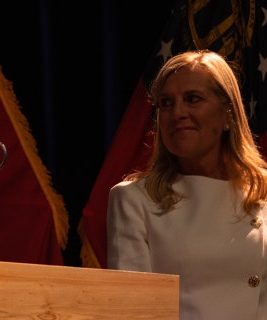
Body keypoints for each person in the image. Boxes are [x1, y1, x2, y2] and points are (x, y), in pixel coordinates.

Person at [106, 50, 266, 319]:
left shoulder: (263, 191)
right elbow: (133, 313)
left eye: (192, 99)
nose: (177, 113)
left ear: (228, 113)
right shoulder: (134, 200)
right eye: (166, 104)